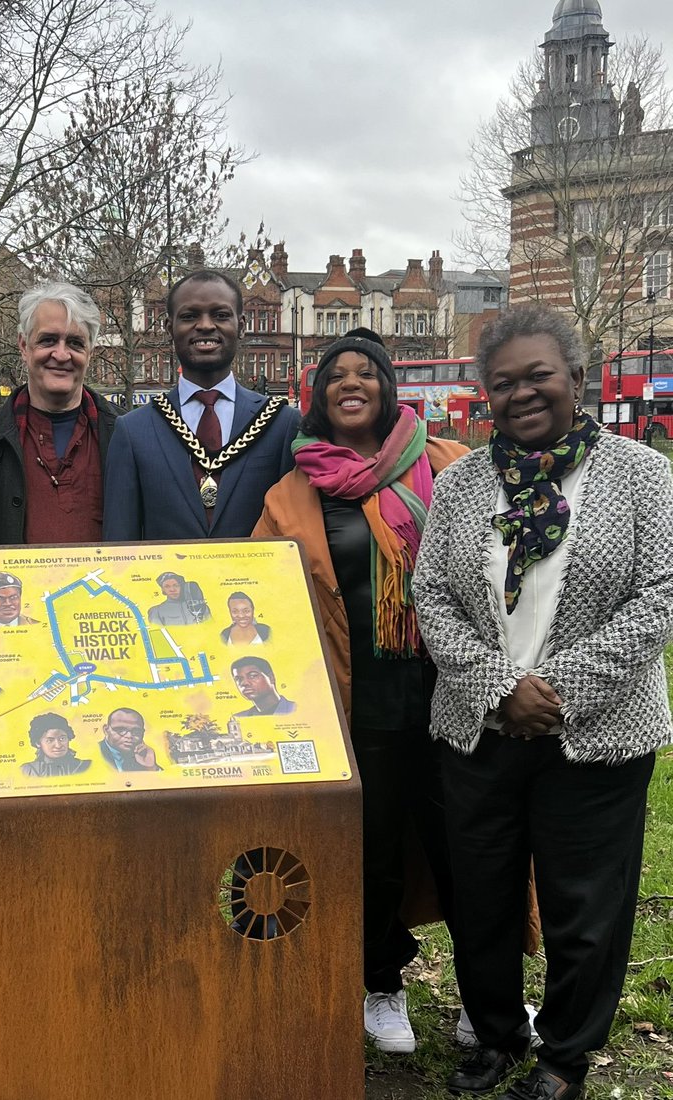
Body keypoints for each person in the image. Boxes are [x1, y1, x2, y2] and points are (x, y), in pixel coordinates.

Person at [414, 306, 673, 1100]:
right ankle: (494, 1035)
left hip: (598, 736)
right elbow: (430, 593)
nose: (522, 393)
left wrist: (556, 692)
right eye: (504, 383)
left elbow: (660, 594)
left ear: (576, 378)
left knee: (584, 907)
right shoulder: (460, 484)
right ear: (485, 395)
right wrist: (501, 688)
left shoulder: (642, 475)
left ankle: (565, 1057)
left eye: (539, 376)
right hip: (479, 731)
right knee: (482, 896)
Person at [251, 326, 466, 1055]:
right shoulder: (293, 491)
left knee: (466, 848)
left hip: (448, 699)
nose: (352, 383)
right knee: (371, 852)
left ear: (386, 387)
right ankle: (383, 987)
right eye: (336, 374)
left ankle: (485, 990)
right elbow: (257, 598)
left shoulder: (447, 464)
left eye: (366, 372)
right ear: (319, 394)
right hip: (356, 706)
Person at [103, 269, 299, 541]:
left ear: (241, 326)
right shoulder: (133, 431)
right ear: (169, 328)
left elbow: (296, 532)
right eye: (189, 316)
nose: (206, 325)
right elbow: (120, 540)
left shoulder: (282, 423)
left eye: (220, 315)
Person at [0, 282, 118, 543]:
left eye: (75, 343)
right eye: (48, 340)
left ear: (90, 351)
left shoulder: (126, 435)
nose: (61, 354)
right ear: (24, 346)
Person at [19, 712, 91, 777]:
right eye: (50, 740)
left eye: (62, 739)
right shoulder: (27, 770)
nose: (58, 745)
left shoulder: (85, 766)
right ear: (38, 743)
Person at [230, 656, 296, 716]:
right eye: (238, 679)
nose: (244, 683)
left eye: (253, 676)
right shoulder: (238, 718)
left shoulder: (298, 711)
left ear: (271, 678)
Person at [146, 571, 211, 625]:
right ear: (163, 589)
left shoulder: (201, 607)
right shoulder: (156, 611)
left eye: (176, 585)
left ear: (182, 587)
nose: (172, 589)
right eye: (167, 586)